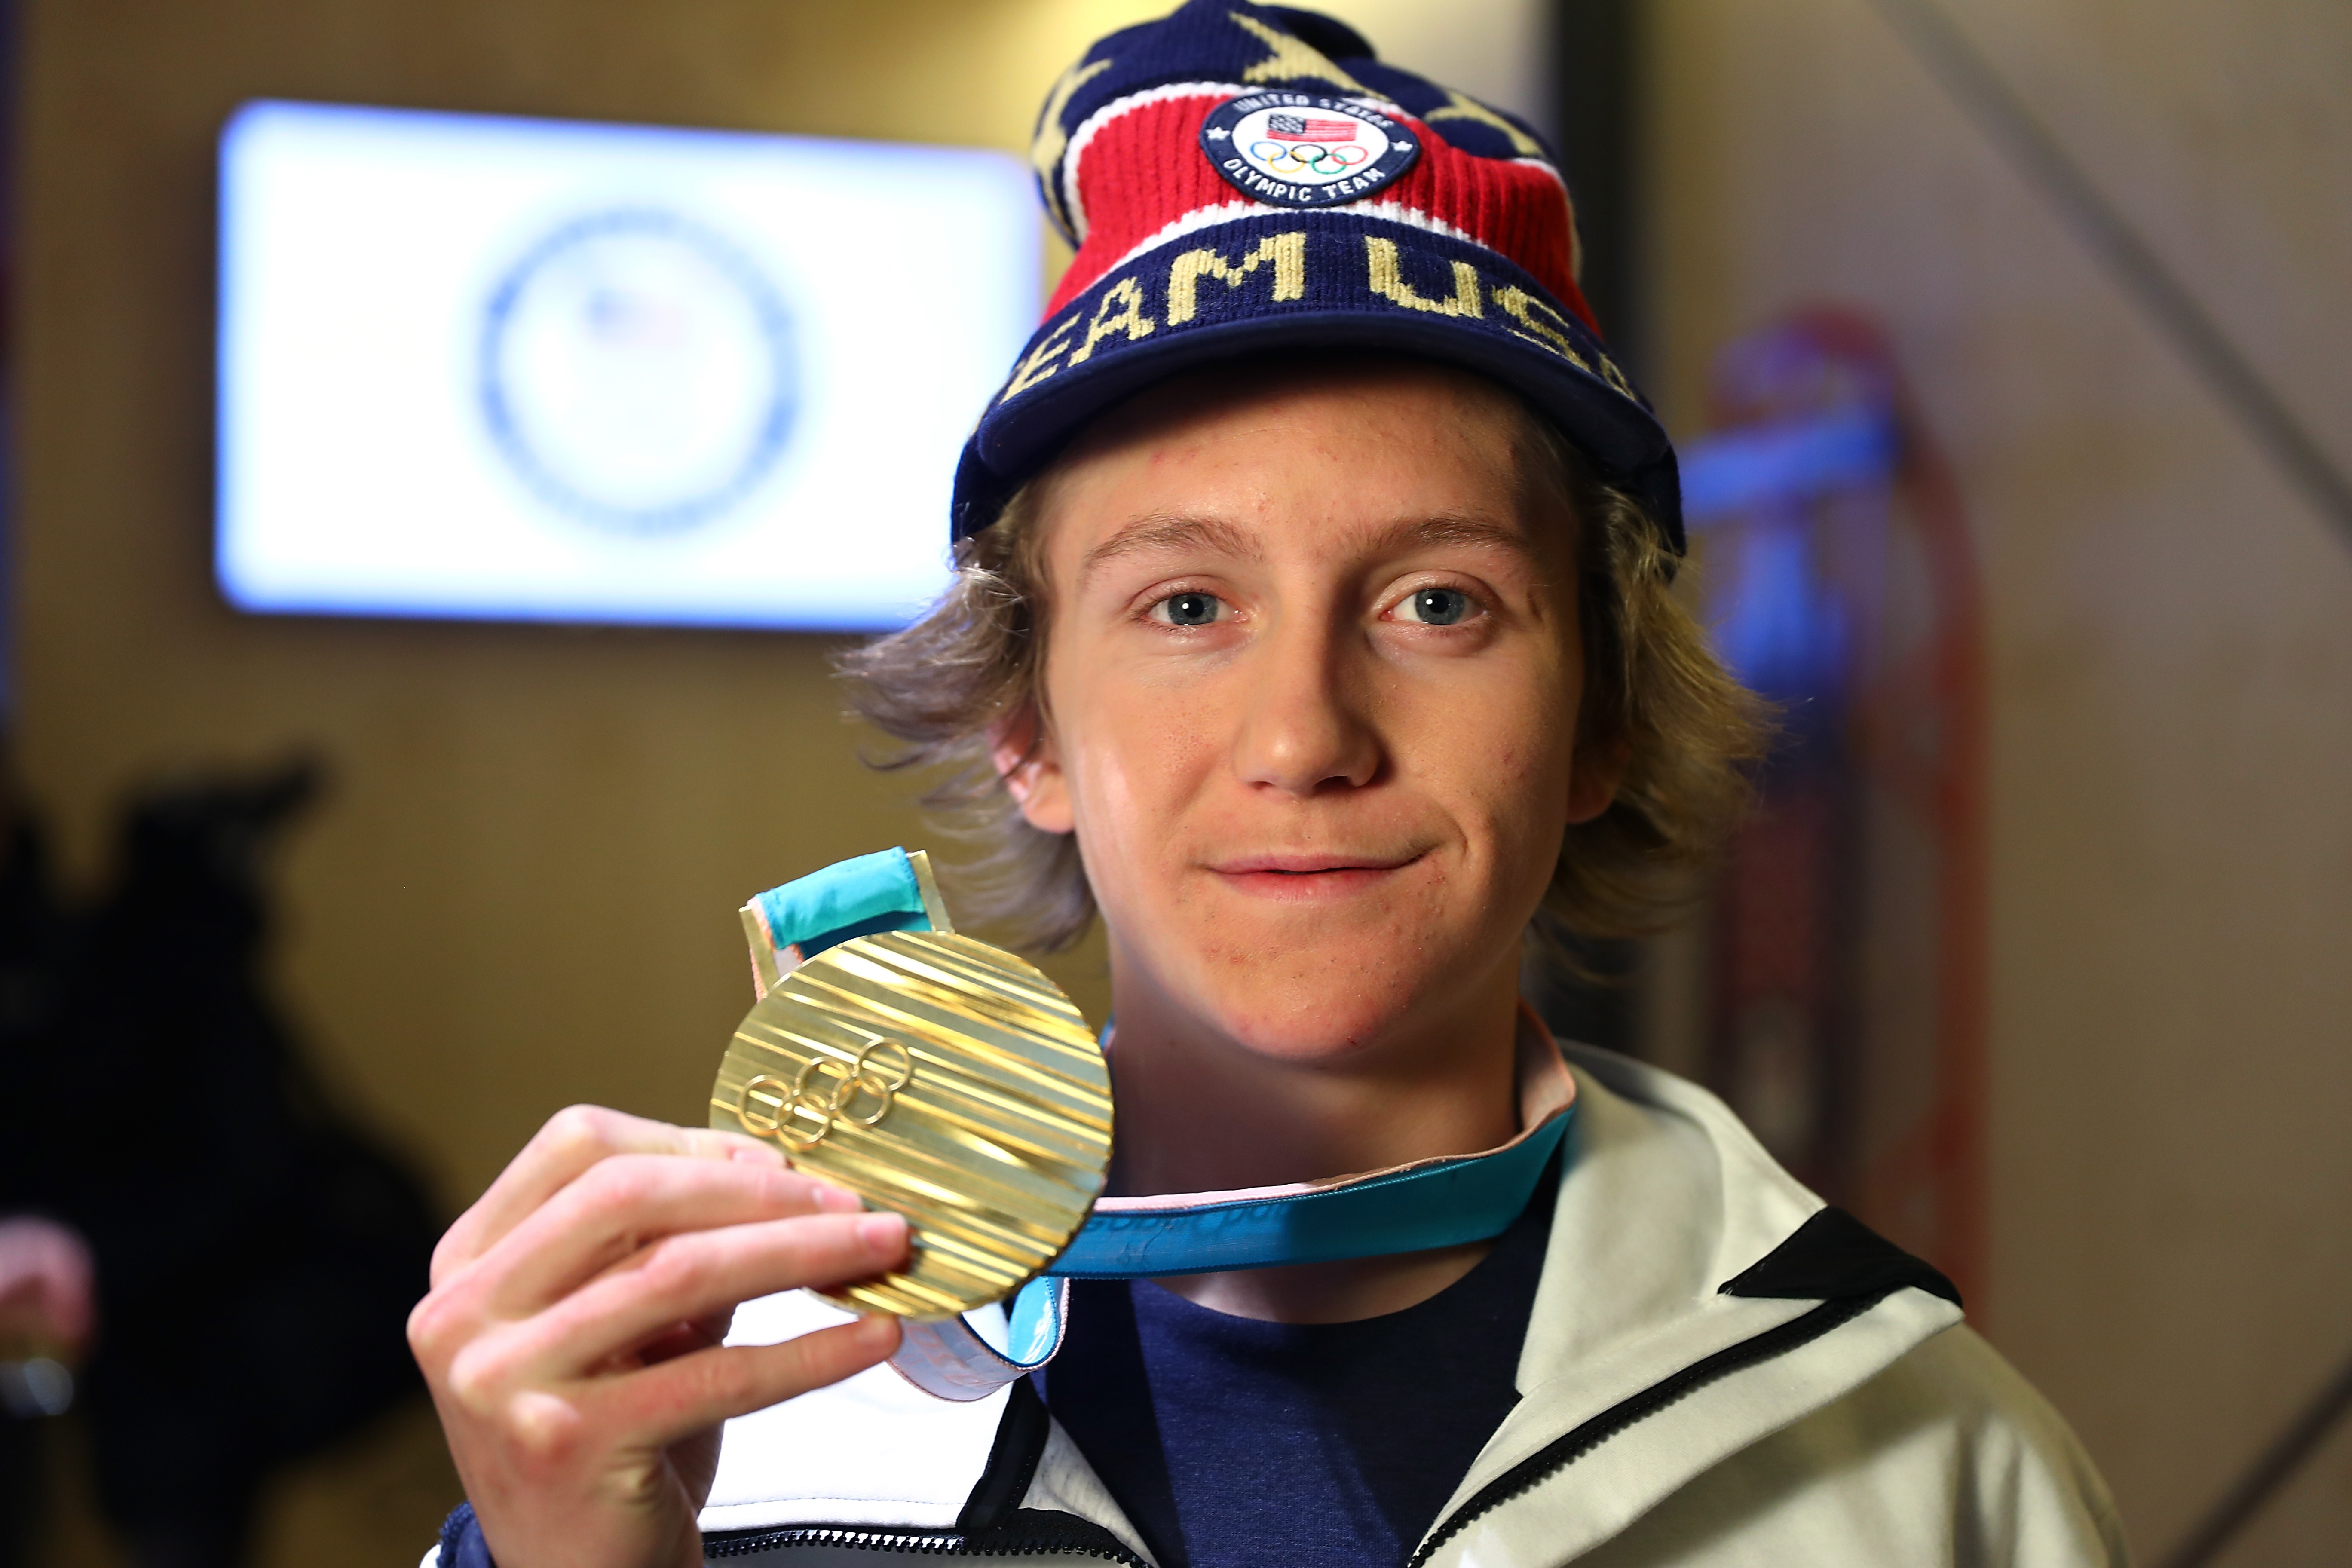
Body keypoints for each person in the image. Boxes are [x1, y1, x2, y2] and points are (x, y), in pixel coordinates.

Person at [410, 5, 2127, 1564]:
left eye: (1438, 604)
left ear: (1603, 713)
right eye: (1185, 607)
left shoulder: (1924, 1465)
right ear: (1027, 728)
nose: (1305, 738)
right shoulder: (694, 1441)